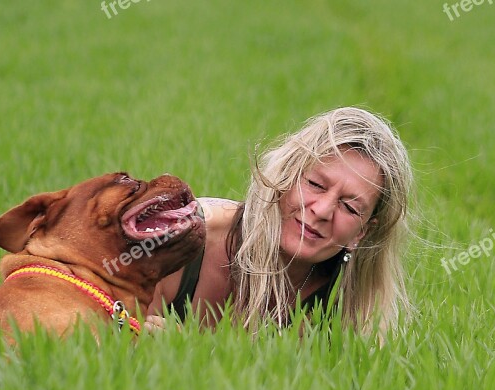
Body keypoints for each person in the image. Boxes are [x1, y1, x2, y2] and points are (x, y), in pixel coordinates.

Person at [146, 106, 414, 335]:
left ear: (362, 233)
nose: (322, 210)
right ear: (285, 176)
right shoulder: (182, 240)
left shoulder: (348, 309)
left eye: (349, 207)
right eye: (315, 184)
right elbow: (111, 344)